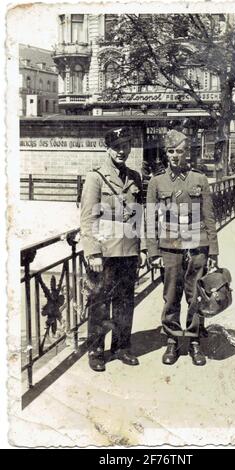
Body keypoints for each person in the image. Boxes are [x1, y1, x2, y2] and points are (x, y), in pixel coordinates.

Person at [146, 129, 219, 366]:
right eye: (171, 151)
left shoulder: (199, 179)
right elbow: (148, 221)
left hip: (197, 246)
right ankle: (172, 340)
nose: (175, 156)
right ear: (165, 153)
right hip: (169, 247)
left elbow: (209, 216)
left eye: (180, 151)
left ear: (187, 152)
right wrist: (153, 251)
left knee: (196, 295)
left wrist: (214, 251)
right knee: (170, 296)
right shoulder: (156, 182)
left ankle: (195, 340)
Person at [80, 127, 145, 371]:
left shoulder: (135, 177)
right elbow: (87, 218)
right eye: (116, 146)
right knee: (99, 303)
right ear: (107, 149)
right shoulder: (95, 177)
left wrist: (143, 248)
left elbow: (139, 215)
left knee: (125, 301)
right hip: (104, 253)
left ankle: (121, 347)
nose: (121, 151)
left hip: (128, 251)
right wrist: (92, 252)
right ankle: (96, 350)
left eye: (125, 146)